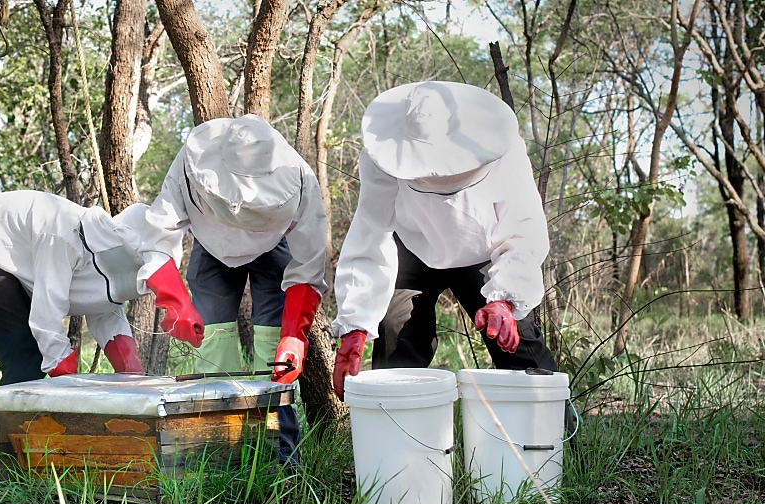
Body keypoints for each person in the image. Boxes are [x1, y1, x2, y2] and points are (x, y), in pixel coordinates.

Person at [330, 81, 559, 399]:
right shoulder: (380, 155)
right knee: (395, 338)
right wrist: (354, 326)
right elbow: (370, 230)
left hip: (486, 251)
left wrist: (504, 300)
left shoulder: (505, 151)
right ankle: (397, 440)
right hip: (411, 250)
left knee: (518, 343)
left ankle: (551, 436)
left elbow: (522, 228)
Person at [0, 190, 204, 444]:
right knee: (27, 355)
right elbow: (46, 314)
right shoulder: (65, 236)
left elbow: (105, 310)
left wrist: (131, 375)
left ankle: (11, 435)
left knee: (31, 356)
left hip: (11, 256)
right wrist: (68, 384)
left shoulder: (104, 261)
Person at [144, 114, 328, 463]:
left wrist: (295, 334)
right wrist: (176, 301)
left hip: (273, 246)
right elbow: (157, 234)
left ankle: (280, 459)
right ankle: (218, 454)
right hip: (209, 246)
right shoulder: (189, 163)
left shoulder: (302, 178)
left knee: (275, 355)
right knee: (214, 345)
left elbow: (308, 264)